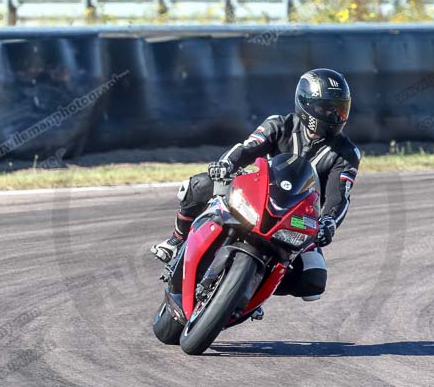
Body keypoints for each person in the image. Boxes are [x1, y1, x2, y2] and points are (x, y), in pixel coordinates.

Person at [151, 68, 360, 305]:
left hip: (299, 218)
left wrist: (329, 222)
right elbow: (247, 148)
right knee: (198, 185)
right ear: (306, 104)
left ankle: (253, 286)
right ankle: (177, 239)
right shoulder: (278, 125)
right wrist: (226, 164)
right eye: (327, 108)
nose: (335, 115)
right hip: (258, 195)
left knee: (313, 282)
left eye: (340, 109)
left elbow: (339, 196)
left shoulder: (347, 153)